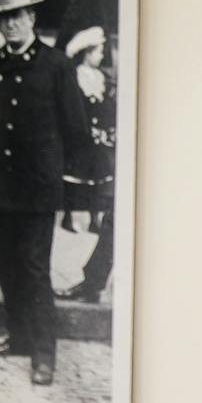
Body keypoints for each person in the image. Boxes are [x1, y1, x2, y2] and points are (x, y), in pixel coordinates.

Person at [0, 0, 87, 387]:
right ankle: (20, 337)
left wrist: (63, 180)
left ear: (32, 17)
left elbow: (76, 129)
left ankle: (44, 354)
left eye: (17, 16)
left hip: (37, 188)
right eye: (4, 18)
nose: (11, 25)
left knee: (35, 269)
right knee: (7, 266)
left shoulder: (55, 65)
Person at [56, 26, 117, 305]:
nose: (105, 55)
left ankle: (94, 283)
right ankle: (93, 283)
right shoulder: (78, 76)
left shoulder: (104, 79)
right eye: (99, 50)